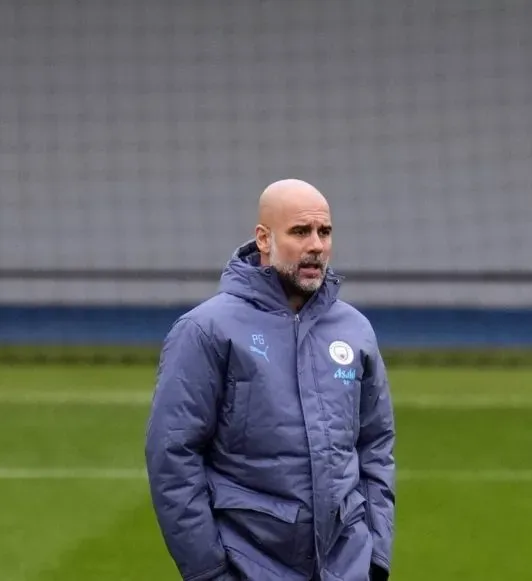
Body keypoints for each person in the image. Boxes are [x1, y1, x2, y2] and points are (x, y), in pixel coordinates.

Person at [144, 179, 396, 581]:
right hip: (247, 566)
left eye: (324, 232)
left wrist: (376, 554)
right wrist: (209, 571)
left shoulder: (355, 330)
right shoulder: (205, 330)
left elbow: (376, 444)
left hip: (347, 567)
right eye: (300, 231)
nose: (316, 245)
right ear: (263, 238)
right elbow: (172, 456)